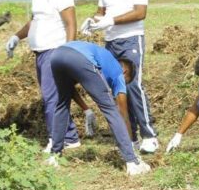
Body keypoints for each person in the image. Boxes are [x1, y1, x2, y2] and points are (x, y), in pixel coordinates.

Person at [5, 0, 95, 151]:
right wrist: (16, 37)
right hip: (40, 53)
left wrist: (68, 50)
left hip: (55, 51)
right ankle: (69, 137)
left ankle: (57, 140)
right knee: (56, 96)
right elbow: (34, 22)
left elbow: (71, 24)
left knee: (51, 98)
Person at [83, 0, 159, 154]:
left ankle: (149, 135)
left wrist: (111, 21)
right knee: (118, 89)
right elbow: (101, 11)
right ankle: (130, 136)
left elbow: (140, 12)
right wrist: (93, 21)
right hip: (111, 42)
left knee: (134, 85)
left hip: (130, 39)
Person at [47, 41, 150, 176]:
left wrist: (86, 110)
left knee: (61, 105)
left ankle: (54, 156)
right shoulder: (119, 72)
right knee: (110, 109)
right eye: (126, 82)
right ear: (125, 72)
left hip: (57, 54)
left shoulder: (105, 58)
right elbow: (122, 113)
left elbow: (70, 91)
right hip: (81, 58)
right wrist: (132, 142)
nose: (121, 86)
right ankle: (132, 162)